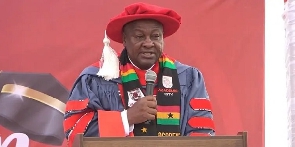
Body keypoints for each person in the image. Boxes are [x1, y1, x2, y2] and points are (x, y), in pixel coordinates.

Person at [63, 2, 215, 146]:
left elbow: (201, 132)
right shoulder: (96, 78)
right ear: (124, 39)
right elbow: (76, 133)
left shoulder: (188, 78)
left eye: (155, 36)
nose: (148, 43)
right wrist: (126, 118)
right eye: (139, 36)